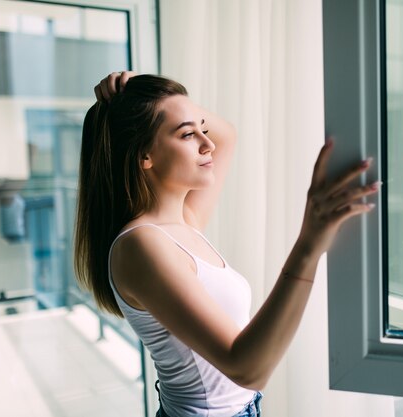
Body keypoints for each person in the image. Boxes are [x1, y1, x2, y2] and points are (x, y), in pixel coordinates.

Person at [73, 71, 380, 417]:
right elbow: (247, 368)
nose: (209, 144)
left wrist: (142, 88)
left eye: (202, 128)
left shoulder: (182, 222)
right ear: (145, 155)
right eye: (188, 134)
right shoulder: (142, 245)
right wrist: (308, 244)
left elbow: (227, 135)